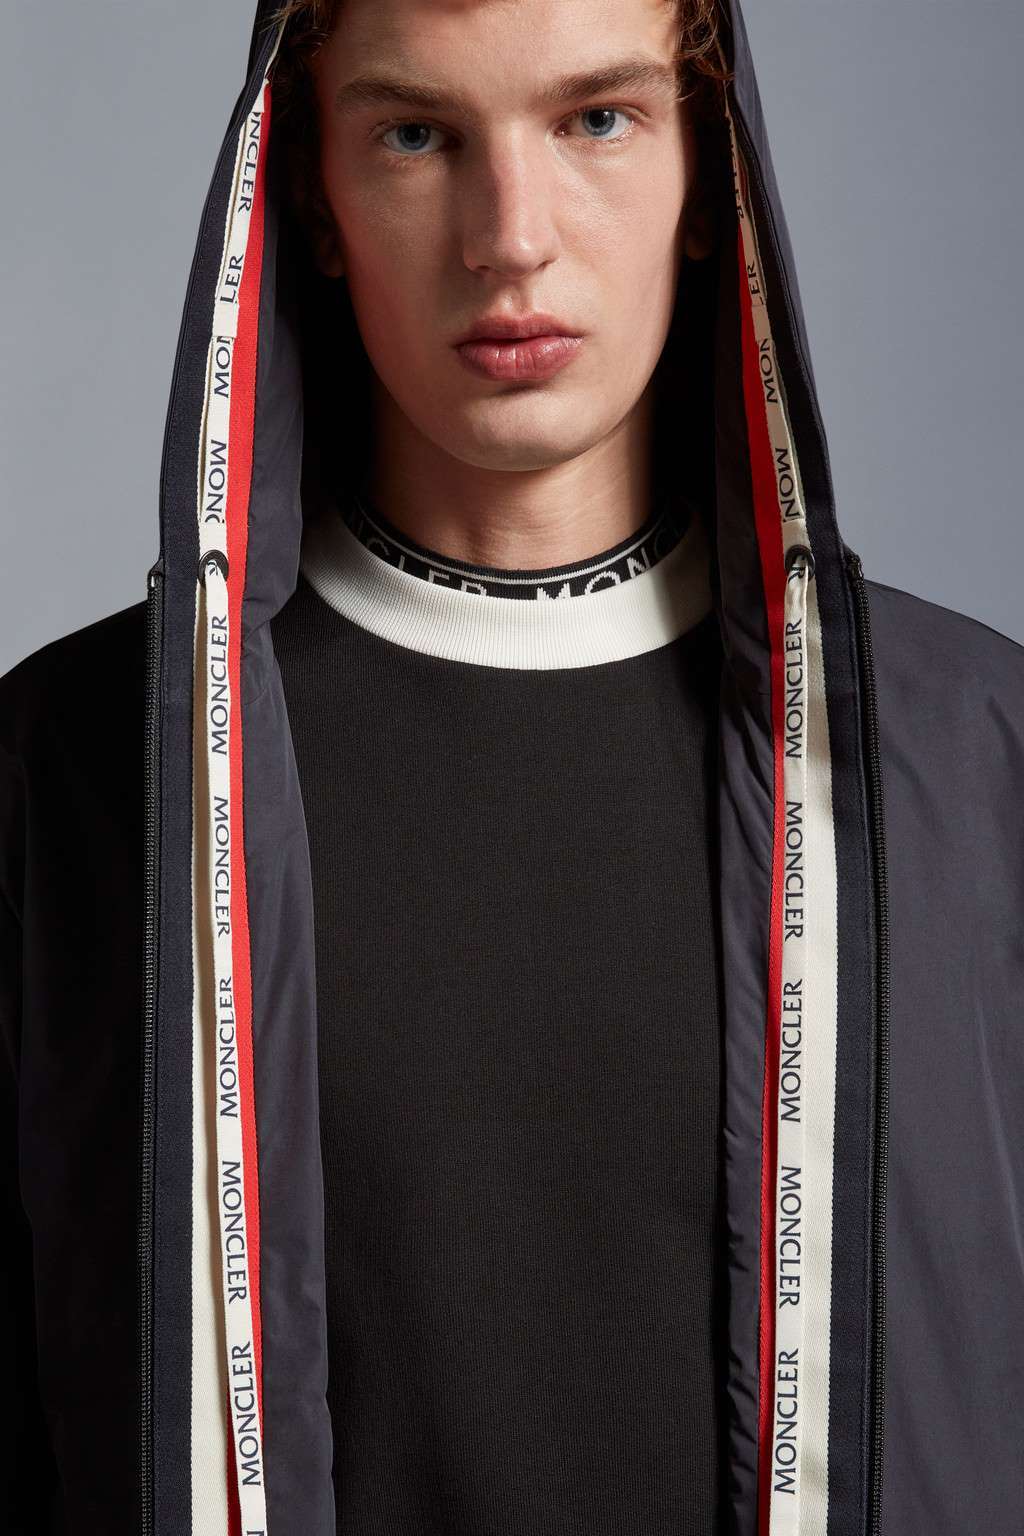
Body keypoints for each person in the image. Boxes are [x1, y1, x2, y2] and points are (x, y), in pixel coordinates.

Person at [1, 0, 1022, 1532]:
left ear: (707, 173)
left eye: (598, 119)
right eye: (417, 136)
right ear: (314, 197)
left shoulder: (969, 758)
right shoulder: (76, 777)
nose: (511, 240)